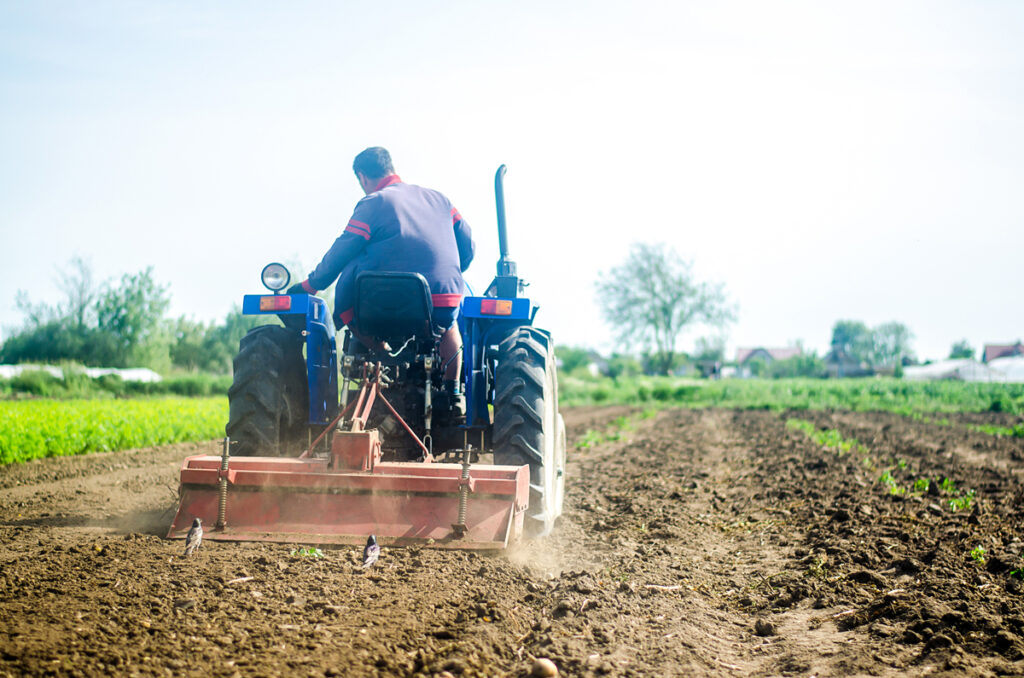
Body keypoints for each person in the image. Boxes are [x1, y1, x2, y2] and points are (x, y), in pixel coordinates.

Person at [288, 147, 474, 390]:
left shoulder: (373, 202)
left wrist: (310, 285)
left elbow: (343, 251)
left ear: (362, 177)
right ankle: (452, 392)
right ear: (391, 168)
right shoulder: (441, 200)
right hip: (440, 300)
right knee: (449, 325)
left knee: (350, 297)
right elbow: (468, 247)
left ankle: (384, 355)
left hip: (380, 305)